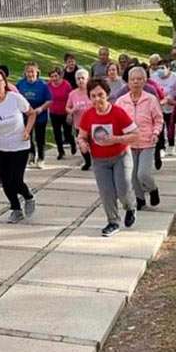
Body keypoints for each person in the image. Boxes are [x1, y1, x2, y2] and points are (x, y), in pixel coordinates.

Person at [78, 78, 139, 237]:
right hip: (99, 161)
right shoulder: (88, 115)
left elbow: (135, 135)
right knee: (106, 193)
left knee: (123, 189)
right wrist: (83, 144)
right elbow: (82, 136)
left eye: (100, 95)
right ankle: (113, 222)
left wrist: (116, 139)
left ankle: (130, 206)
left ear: (107, 95)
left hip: (121, 156)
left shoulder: (118, 112)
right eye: (93, 96)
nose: (97, 99)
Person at [0, 68, 37, 223]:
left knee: (16, 180)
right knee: (6, 180)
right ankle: (15, 208)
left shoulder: (15, 98)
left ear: (5, 83)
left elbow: (31, 113)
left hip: (19, 145)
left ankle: (28, 196)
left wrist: (27, 130)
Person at [115, 67, 164, 210]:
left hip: (147, 142)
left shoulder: (151, 99)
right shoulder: (121, 101)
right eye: (132, 79)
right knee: (132, 175)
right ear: (128, 82)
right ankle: (140, 199)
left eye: (139, 79)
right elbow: (116, 121)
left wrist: (155, 133)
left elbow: (159, 120)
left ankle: (153, 189)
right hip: (129, 143)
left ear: (145, 81)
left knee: (143, 174)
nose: (136, 82)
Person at [16, 61, 52, 168]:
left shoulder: (43, 85)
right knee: (28, 136)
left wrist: (41, 108)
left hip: (40, 115)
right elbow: (15, 97)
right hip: (26, 115)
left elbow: (49, 100)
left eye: (32, 71)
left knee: (40, 138)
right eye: (28, 72)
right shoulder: (20, 84)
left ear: (37, 72)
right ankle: (31, 154)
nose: (30, 74)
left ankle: (41, 158)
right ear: (25, 73)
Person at [152, 59, 176, 163]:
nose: (160, 70)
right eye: (158, 68)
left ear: (168, 68)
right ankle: (162, 147)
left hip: (171, 106)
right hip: (158, 106)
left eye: (163, 68)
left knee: (171, 126)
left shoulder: (175, 78)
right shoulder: (154, 77)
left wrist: (171, 99)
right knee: (160, 127)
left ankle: (171, 144)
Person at [65, 68, 93, 171]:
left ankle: (97, 161)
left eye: (83, 78)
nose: (80, 80)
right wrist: (72, 111)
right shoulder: (72, 94)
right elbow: (67, 107)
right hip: (79, 125)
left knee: (94, 145)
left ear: (87, 79)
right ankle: (87, 162)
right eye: (78, 79)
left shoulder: (92, 92)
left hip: (93, 124)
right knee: (82, 145)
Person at [47, 66, 75, 160]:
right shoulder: (49, 85)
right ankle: (60, 151)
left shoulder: (66, 85)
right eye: (52, 76)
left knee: (67, 133)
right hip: (54, 112)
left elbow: (71, 99)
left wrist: (70, 113)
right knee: (57, 133)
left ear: (60, 76)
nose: (54, 78)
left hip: (65, 112)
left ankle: (72, 143)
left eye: (55, 76)